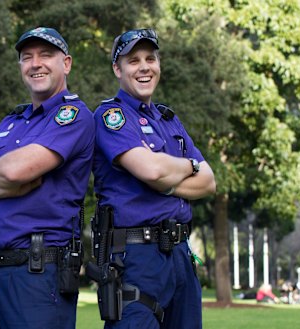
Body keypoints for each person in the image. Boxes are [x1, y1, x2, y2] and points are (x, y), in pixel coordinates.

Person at [0, 26, 94, 328]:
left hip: (36, 275)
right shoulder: (10, 122)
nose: (35, 63)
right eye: (26, 57)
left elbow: (17, 170)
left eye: (46, 55)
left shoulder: (73, 115)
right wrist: (9, 185)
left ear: (66, 63)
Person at [91, 29, 216, 328]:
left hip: (181, 256)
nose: (144, 67)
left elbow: (209, 181)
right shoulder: (111, 116)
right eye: (133, 60)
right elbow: (151, 171)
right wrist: (187, 167)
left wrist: (167, 180)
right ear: (117, 69)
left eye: (151, 58)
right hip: (136, 258)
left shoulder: (168, 120)